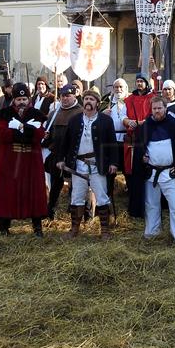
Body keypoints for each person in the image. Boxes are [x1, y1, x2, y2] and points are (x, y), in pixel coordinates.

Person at [128, 96, 175, 247]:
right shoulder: (146, 126)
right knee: (151, 205)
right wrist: (142, 157)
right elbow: (140, 147)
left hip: (170, 175)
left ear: (165, 108)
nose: (157, 111)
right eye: (154, 108)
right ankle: (152, 234)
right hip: (151, 174)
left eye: (159, 108)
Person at [56, 90, 119, 239]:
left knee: (102, 197)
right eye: (86, 99)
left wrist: (114, 162)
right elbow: (65, 142)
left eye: (91, 99)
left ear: (97, 103)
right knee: (77, 197)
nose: (88, 101)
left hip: (98, 165)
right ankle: (74, 230)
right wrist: (60, 159)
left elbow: (113, 144)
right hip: (78, 165)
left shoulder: (106, 120)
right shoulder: (75, 120)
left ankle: (104, 231)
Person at [0, 82, 47, 236]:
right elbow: (4, 134)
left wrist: (19, 128)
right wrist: (27, 130)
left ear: (28, 99)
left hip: (31, 161)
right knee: (7, 192)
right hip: (10, 161)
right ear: (14, 100)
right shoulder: (5, 114)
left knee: (33, 191)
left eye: (24, 99)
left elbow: (39, 135)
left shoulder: (36, 114)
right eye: (18, 99)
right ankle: (3, 227)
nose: (21, 102)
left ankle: (37, 228)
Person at [42, 83, 83, 219]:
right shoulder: (54, 113)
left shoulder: (81, 112)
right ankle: (51, 211)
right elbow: (48, 135)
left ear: (74, 95)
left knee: (76, 185)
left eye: (68, 96)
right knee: (55, 184)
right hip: (56, 154)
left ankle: (78, 213)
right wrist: (45, 138)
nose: (65, 99)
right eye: (62, 96)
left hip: (74, 156)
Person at [101, 78, 129, 199]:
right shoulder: (106, 102)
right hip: (111, 140)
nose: (118, 89)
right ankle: (108, 196)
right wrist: (103, 114)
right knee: (110, 169)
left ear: (125, 88)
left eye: (121, 87)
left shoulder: (130, 101)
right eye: (116, 87)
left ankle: (129, 192)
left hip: (126, 139)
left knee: (127, 168)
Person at [123, 73, 155, 177]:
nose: (139, 83)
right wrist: (129, 122)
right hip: (132, 138)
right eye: (137, 81)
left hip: (147, 137)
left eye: (141, 81)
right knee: (131, 170)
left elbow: (153, 116)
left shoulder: (152, 98)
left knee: (146, 167)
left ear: (146, 83)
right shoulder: (129, 99)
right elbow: (123, 116)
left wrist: (138, 123)